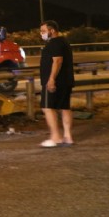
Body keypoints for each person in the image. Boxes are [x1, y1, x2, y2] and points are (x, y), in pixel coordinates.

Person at [39, 20, 75, 148]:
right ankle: (68, 136)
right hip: (66, 81)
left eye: (43, 31)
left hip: (54, 82)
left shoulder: (54, 43)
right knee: (64, 108)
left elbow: (57, 61)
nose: (41, 34)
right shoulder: (64, 42)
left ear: (52, 30)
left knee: (47, 107)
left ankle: (56, 137)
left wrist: (51, 79)